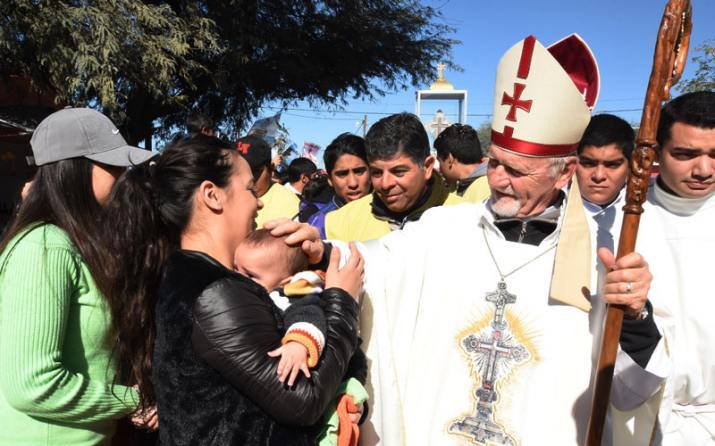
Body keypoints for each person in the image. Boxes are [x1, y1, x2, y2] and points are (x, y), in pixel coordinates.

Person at [288, 34, 670, 445]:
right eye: (497, 164)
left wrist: (633, 318)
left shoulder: (601, 253)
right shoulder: (444, 228)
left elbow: (634, 390)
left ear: (564, 173)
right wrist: (320, 250)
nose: (500, 181)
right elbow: (376, 262)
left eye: (518, 171)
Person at [101, 136, 365, 445]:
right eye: (251, 189)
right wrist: (342, 301)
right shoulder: (215, 292)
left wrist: (312, 259)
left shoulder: (192, 274)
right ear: (212, 195)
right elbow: (302, 402)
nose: (260, 201)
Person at [0, 107, 155, 445]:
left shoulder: (79, 242)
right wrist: (130, 400)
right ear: (74, 169)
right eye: (112, 164)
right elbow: (32, 384)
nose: (123, 174)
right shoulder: (44, 247)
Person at [234, 229, 369, 445]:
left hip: (332, 367)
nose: (239, 277)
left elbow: (307, 314)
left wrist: (298, 344)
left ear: (286, 281)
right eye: (235, 268)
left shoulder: (293, 293)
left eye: (250, 275)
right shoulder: (255, 293)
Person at [646, 91, 715, 445]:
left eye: (714, 155)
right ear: (657, 152)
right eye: (686, 155)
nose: (703, 170)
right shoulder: (624, 221)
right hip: (642, 417)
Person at [325, 112, 459, 241]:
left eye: (398, 171)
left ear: (427, 167)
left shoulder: (467, 217)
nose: (385, 184)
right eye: (376, 172)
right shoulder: (340, 222)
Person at [300, 133, 371, 237]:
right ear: (330, 180)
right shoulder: (319, 224)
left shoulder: (390, 209)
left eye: (359, 171)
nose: (353, 183)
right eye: (342, 174)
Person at [238, 134, 300, 227]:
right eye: (237, 171)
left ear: (271, 169)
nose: (246, 178)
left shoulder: (288, 205)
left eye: (254, 171)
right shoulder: (221, 195)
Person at [434, 123, 491, 203]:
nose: (440, 170)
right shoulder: (491, 181)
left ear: (450, 159)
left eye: (439, 161)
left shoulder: (484, 188)